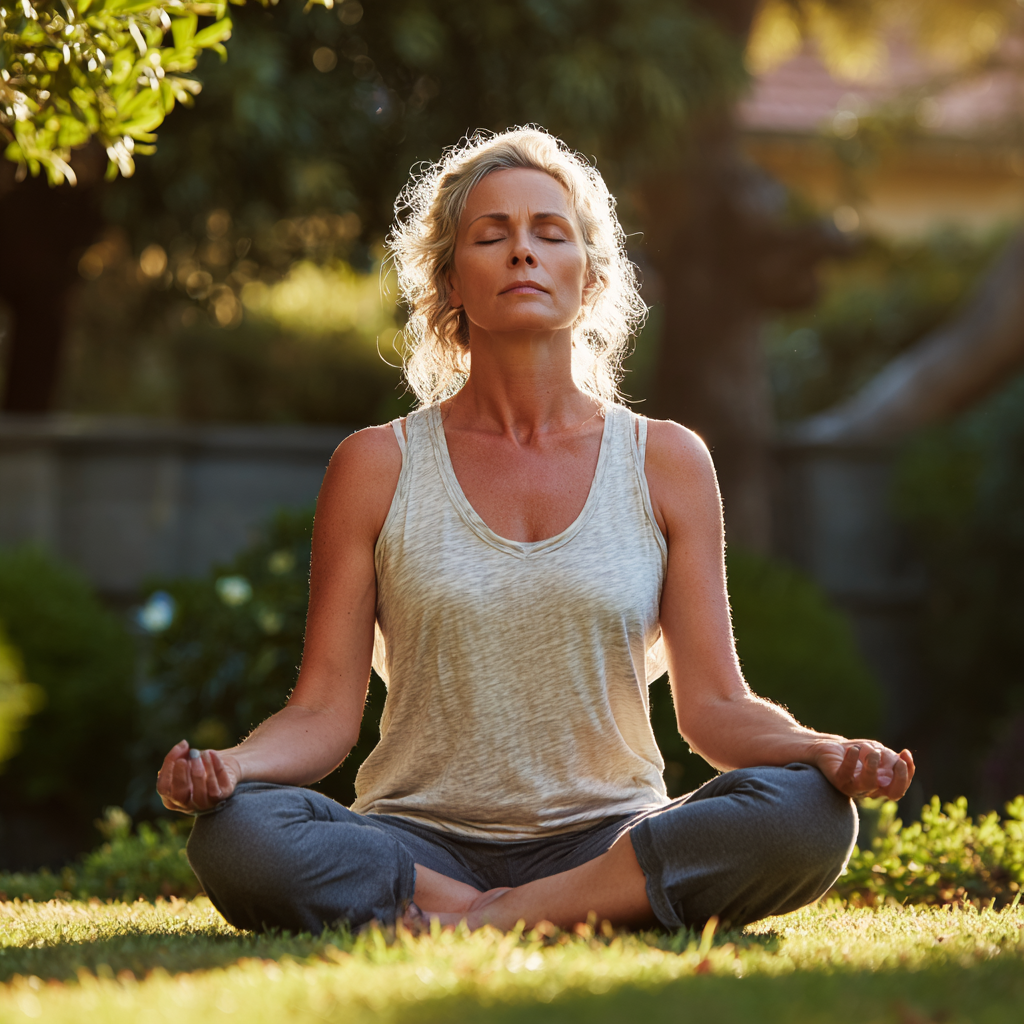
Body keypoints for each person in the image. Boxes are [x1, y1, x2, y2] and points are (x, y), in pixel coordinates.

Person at [156, 128, 914, 936]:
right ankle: (539, 912)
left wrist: (820, 752)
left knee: (807, 814)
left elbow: (716, 709)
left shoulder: (666, 461)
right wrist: (230, 768)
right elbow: (322, 715)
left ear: (589, 278)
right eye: (492, 236)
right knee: (239, 835)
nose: (523, 253)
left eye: (550, 234)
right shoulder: (375, 465)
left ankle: (489, 918)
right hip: (416, 841)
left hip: (608, 838)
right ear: (450, 280)